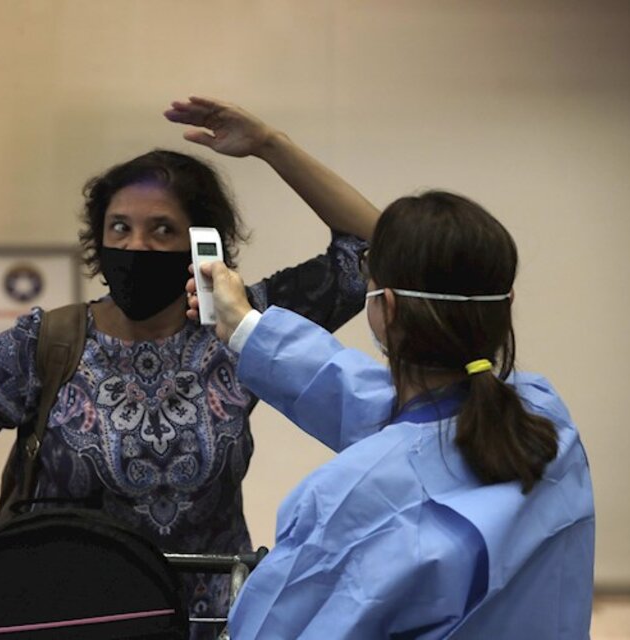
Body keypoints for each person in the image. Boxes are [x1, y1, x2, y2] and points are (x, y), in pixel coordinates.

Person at [0, 97, 379, 634]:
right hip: (63, 621)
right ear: (98, 241)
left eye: (162, 230)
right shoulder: (48, 343)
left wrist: (272, 146)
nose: (137, 245)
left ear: (202, 245)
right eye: (121, 228)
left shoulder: (242, 326)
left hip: (203, 627)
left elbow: (373, 248)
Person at [189, 189, 596, 638]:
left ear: (388, 308)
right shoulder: (547, 420)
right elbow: (393, 409)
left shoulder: (348, 501)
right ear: (507, 303)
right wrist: (247, 326)